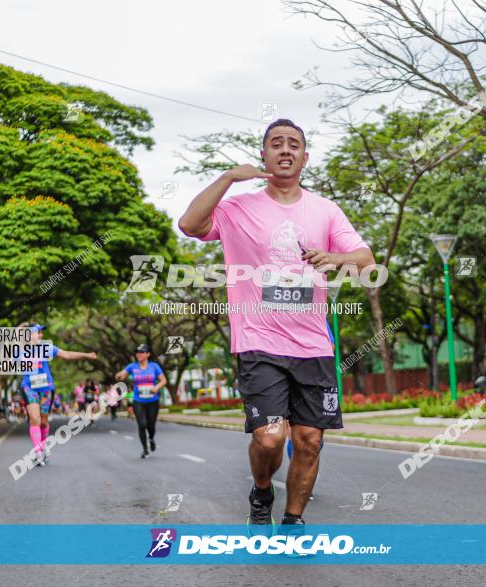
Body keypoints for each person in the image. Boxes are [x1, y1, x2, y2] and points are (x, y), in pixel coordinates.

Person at [178, 119, 374, 536]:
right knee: (269, 438)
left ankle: (292, 522)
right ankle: (262, 491)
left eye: (294, 144)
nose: (285, 150)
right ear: (263, 154)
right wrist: (229, 177)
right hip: (259, 343)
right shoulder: (237, 207)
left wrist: (335, 259)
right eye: (276, 144)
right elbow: (190, 225)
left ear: (305, 157)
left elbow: (366, 260)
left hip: (314, 345)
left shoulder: (324, 209)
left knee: (309, 441)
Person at [19, 323, 98, 466]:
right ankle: (38, 453)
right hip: (29, 388)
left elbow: (66, 354)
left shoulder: (46, 348)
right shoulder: (18, 350)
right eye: (39, 332)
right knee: (34, 419)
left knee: (43, 421)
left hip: (46, 389)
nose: (41, 335)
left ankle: (43, 449)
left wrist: (85, 355)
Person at [115, 344, 168, 458]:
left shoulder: (154, 366)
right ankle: (145, 449)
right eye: (137, 352)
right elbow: (122, 374)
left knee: (151, 425)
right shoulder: (132, 367)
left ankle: (152, 438)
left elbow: (163, 380)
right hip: (138, 400)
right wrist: (119, 375)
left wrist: (156, 387)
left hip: (153, 400)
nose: (139, 354)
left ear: (148, 354)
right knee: (142, 424)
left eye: (142, 352)